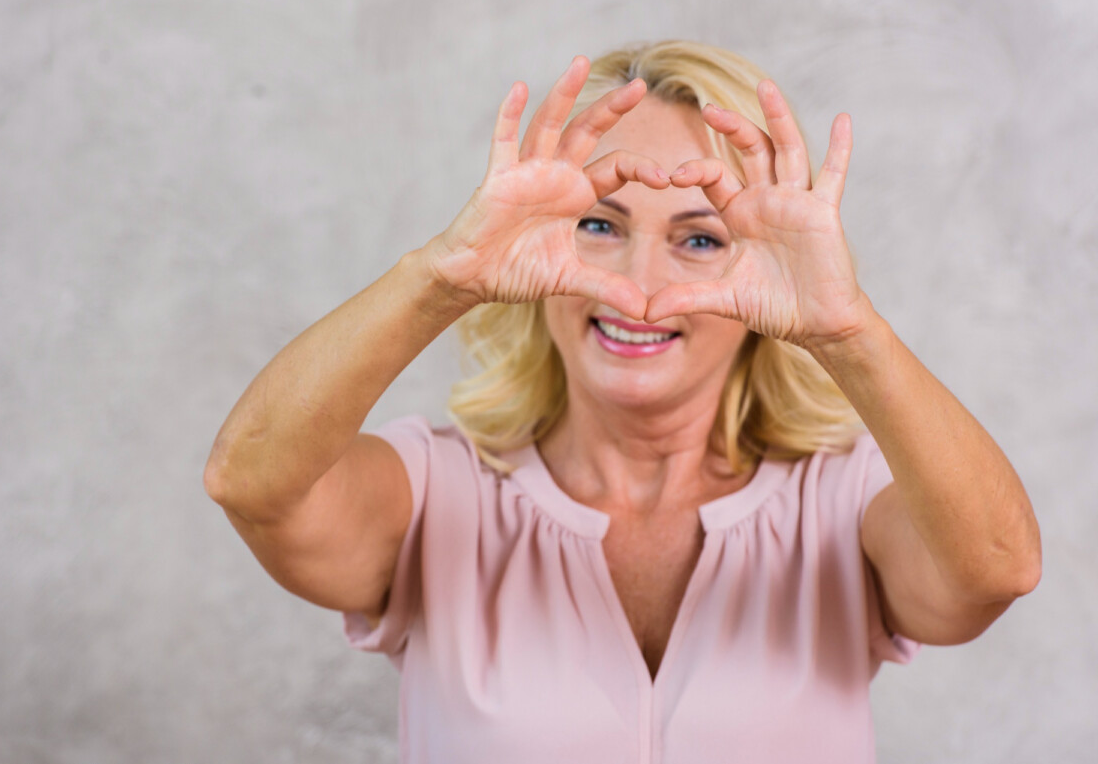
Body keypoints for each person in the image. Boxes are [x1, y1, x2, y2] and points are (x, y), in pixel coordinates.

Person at [203, 41, 1042, 763]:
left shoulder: (841, 503)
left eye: (701, 239)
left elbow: (999, 565)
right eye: (598, 226)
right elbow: (249, 478)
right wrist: (443, 274)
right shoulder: (436, 495)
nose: (638, 289)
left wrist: (846, 330)